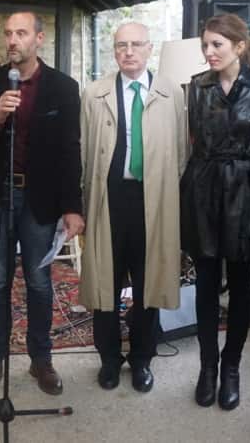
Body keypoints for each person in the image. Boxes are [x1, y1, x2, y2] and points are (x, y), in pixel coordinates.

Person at [0, 12, 84, 398]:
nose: (12, 40)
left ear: (39, 38)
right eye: (7, 34)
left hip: (41, 199)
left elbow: (70, 150)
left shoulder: (63, 88)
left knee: (39, 282)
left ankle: (41, 360)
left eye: (20, 33)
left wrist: (73, 206)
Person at [180, 13, 250, 411]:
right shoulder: (197, 87)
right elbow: (193, 140)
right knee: (205, 283)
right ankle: (207, 367)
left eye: (216, 45)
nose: (209, 52)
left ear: (239, 47)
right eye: (205, 45)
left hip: (245, 191)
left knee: (242, 286)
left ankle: (232, 367)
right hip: (203, 190)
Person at [79, 22, 186, 393]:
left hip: (152, 201)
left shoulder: (170, 93)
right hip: (109, 199)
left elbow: (181, 153)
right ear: (114, 50)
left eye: (136, 45)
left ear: (149, 48)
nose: (129, 52)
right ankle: (109, 359)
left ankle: (142, 359)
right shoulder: (94, 93)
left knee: (148, 284)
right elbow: (83, 153)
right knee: (104, 283)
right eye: (121, 45)